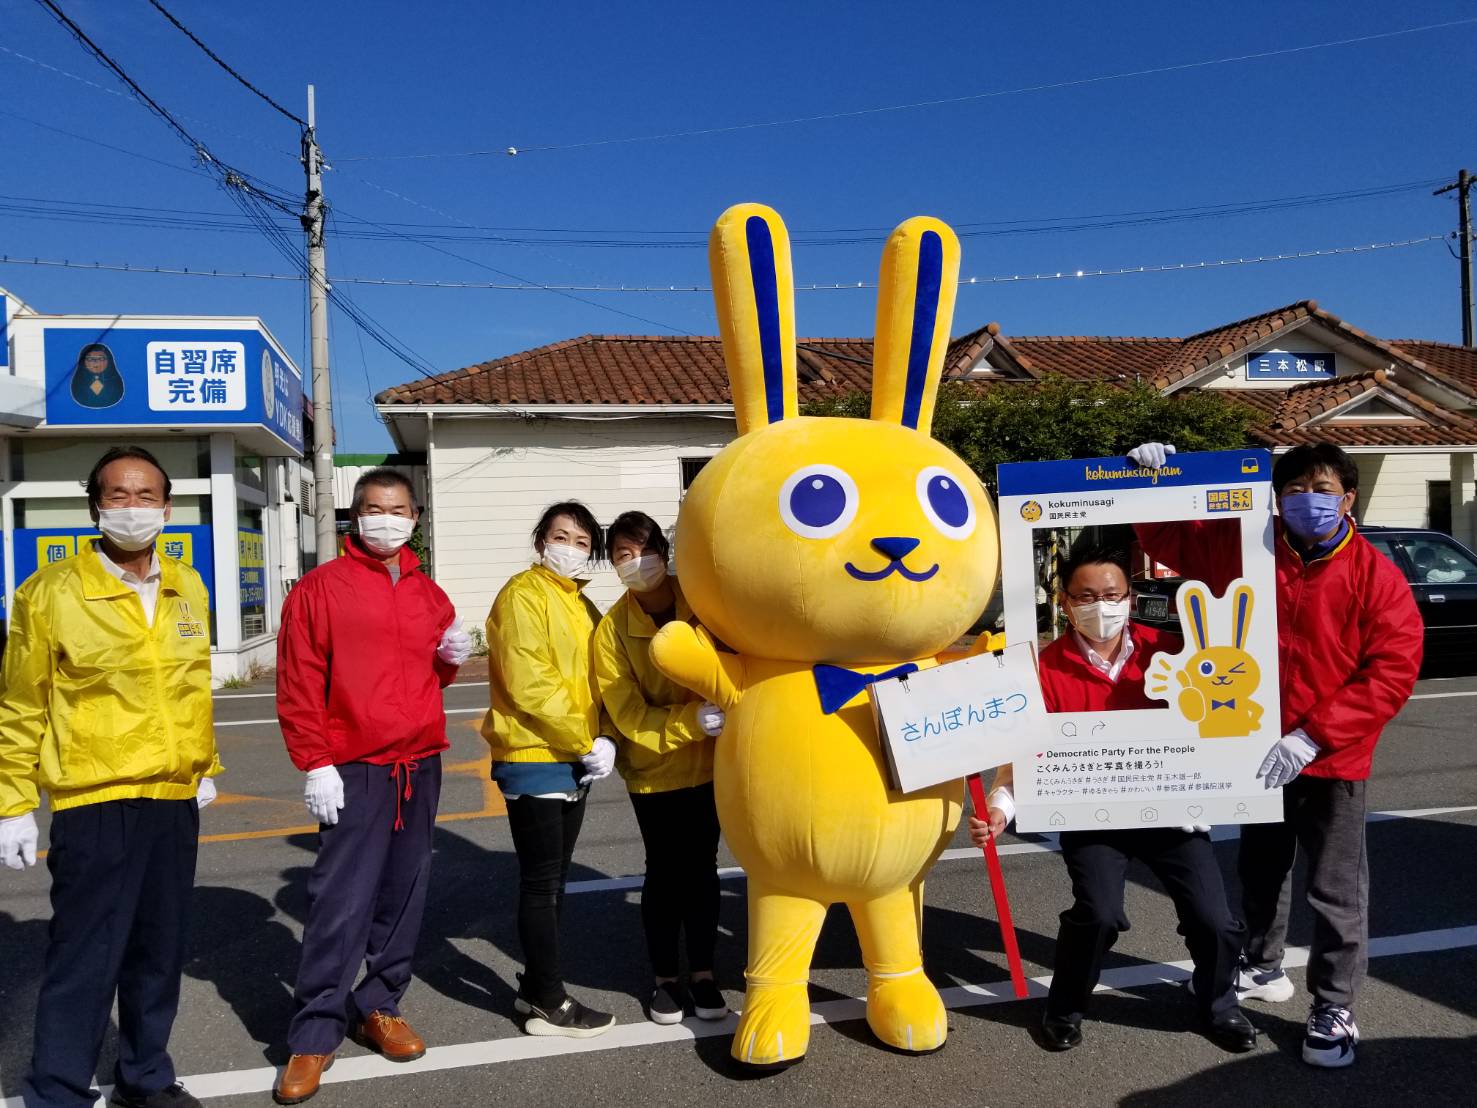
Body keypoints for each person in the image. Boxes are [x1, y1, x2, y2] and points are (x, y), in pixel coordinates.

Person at [1127, 441, 1423, 1067]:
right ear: (1276, 497)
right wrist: (1157, 477)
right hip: (1254, 751)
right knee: (1260, 868)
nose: (1306, 502)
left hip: (1334, 758)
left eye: (1321, 491)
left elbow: (1392, 670)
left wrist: (1314, 735)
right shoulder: (1247, 549)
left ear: (1347, 499)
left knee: (1335, 888)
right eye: (1292, 491)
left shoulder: (1376, 575)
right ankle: (1262, 965)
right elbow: (1173, 540)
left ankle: (1335, 1004)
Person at [971, 541, 1257, 1055]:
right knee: (1098, 912)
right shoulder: (1040, 669)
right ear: (1064, 603)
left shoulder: (1171, 654)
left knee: (1215, 919)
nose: (1100, 605)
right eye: (1085, 596)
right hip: (1092, 815)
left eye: (1112, 594)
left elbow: (1219, 720)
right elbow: (1022, 759)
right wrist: (1000, 809)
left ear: (1130, 596)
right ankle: (1064, 1006)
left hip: (1173, 814)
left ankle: (1220, 1006)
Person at [0, 446, 219, 1108]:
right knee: (85, 958)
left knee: (158, 953)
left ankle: (145, 1076)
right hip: (95, 800)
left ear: (168, 507)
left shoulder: (188, 585)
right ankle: (58, 1090)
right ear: (94, 505)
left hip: (172, 798)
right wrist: (12, 801)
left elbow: (192, 688)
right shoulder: (51, 592)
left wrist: (206, 766)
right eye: (118, 496)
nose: (133, 508)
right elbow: (19, 703)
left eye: (146, 495)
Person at [271, 468, 470, 1104]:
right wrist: (314, 760)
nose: (386, 519)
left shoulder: (428, 593)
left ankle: (379, 1003)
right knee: (341, 901)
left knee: (404, 893)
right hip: (353, 766)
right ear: (353, 517)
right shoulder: (319, 588)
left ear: (415, 519)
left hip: (420, 762)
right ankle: (314, 1032)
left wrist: (450, 660)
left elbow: (428, 679)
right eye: (373, 508)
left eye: (398, 509)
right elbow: (299, 680)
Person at [484, 501, 618, 1038]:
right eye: (561, 536)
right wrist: (586, 739)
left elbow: (603, 675)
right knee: (542, 885)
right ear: (542, 540)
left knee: (556, 883)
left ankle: (534, 989)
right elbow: (528, 681)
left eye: (583, 542)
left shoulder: (583, 605)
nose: (570, 548)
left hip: (573, 758)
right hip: (535, 754)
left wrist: (605, 734)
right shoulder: (523, 594)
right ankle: (549, 1001)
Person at [592, 511, 728, 1025]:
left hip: (715, 766)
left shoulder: (704, 599)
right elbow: (625, 710)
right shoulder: (611, 630)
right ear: (612, 564)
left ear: (665, 553)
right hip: (654, 771)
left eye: (644, 550)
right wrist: (692, 721)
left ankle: (705, 974)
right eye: (622, 555)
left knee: (704, 870)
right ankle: (665, 980)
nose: (636, 563)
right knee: (664, 872)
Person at [69, 342, 125, 409]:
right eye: (90, 359)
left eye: (101, 359)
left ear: (109, 361)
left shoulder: (114, 383)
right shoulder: (79, 382)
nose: (95, 362)